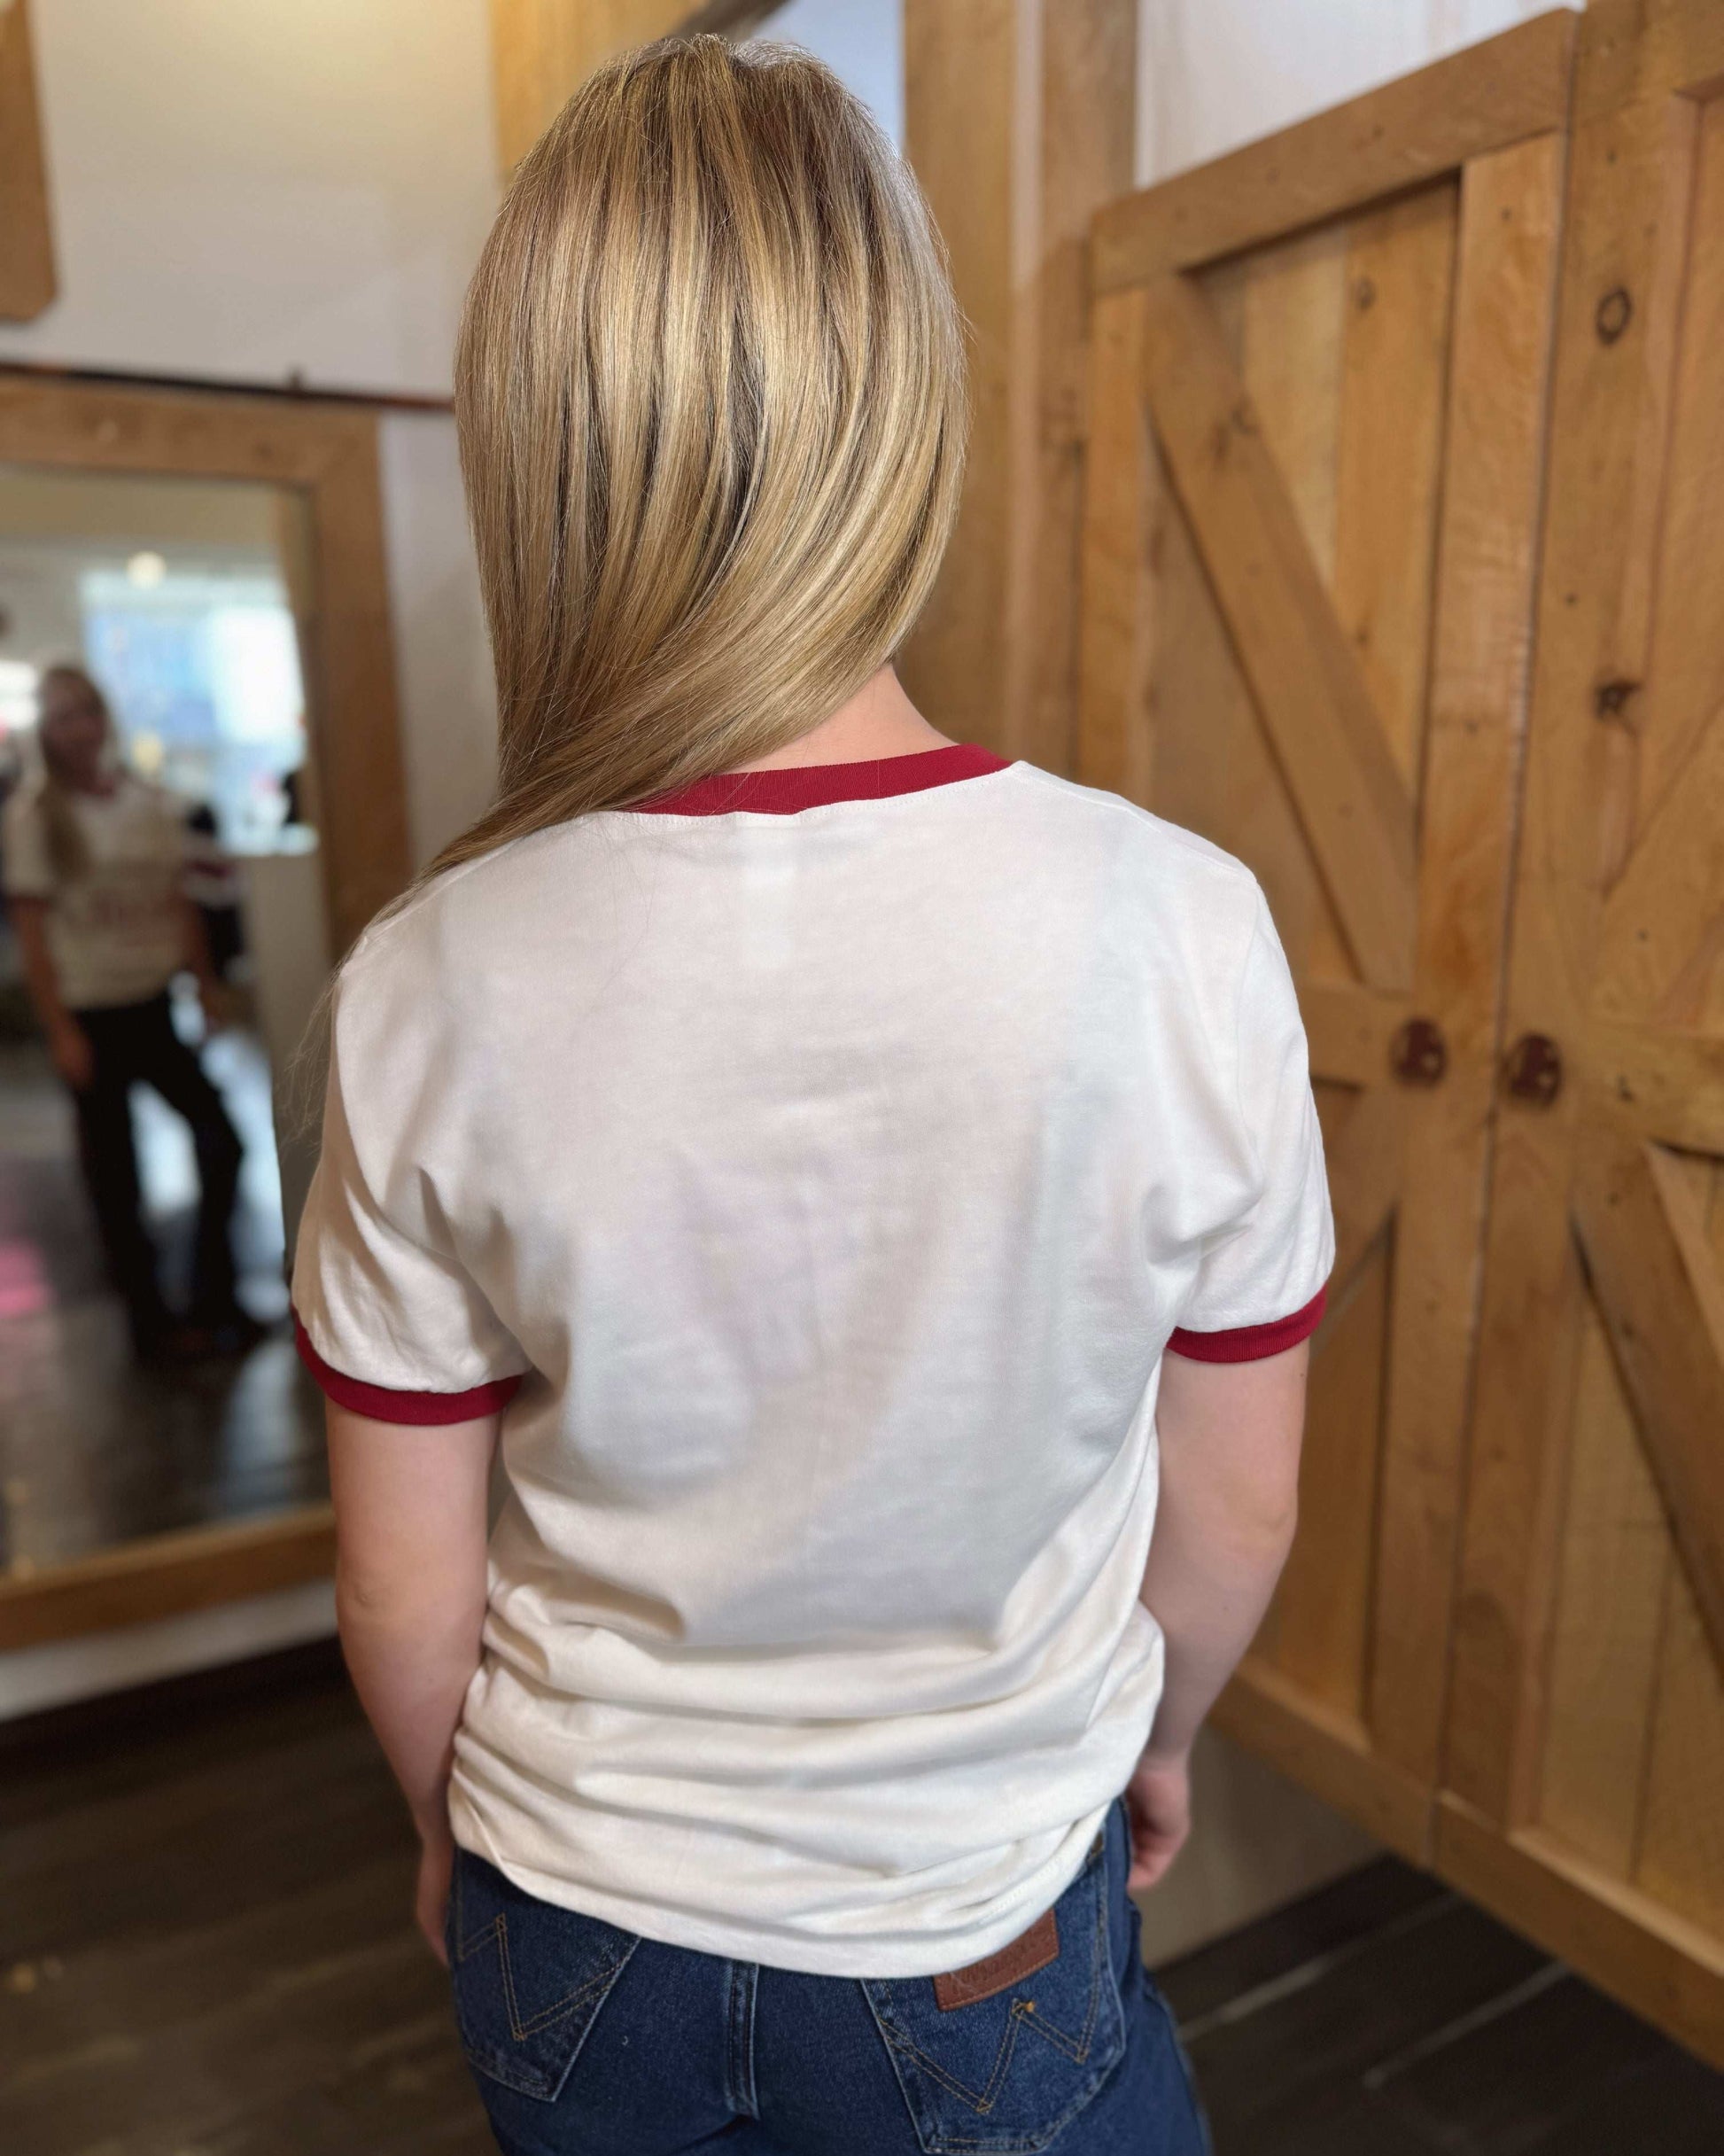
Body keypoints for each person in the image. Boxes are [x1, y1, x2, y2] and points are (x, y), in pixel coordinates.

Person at [292, 37, 1331, 2156]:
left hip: (574, 1928)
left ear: (541, 461)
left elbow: (408, 1589)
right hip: (982, 1927)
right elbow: (1237, 1507)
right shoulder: (1180, 924)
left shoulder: (426, 974)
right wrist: (1163, 1734)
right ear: (900, 416)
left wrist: (448, 1826)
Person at [3, 664, 251, 1360]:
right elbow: (33, 933)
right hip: (90, 1012)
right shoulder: (34, 819)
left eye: (85, 711)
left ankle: (215, 1293)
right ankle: (152, 1323)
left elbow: (177, 903)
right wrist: (59, 1030)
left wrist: (204, 985)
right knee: (117, 1179)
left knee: (221, 1141)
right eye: (61, 717)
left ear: (105, 717)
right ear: (44, 733)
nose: (77, 728)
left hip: (151, 1006)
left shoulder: (145, 804)